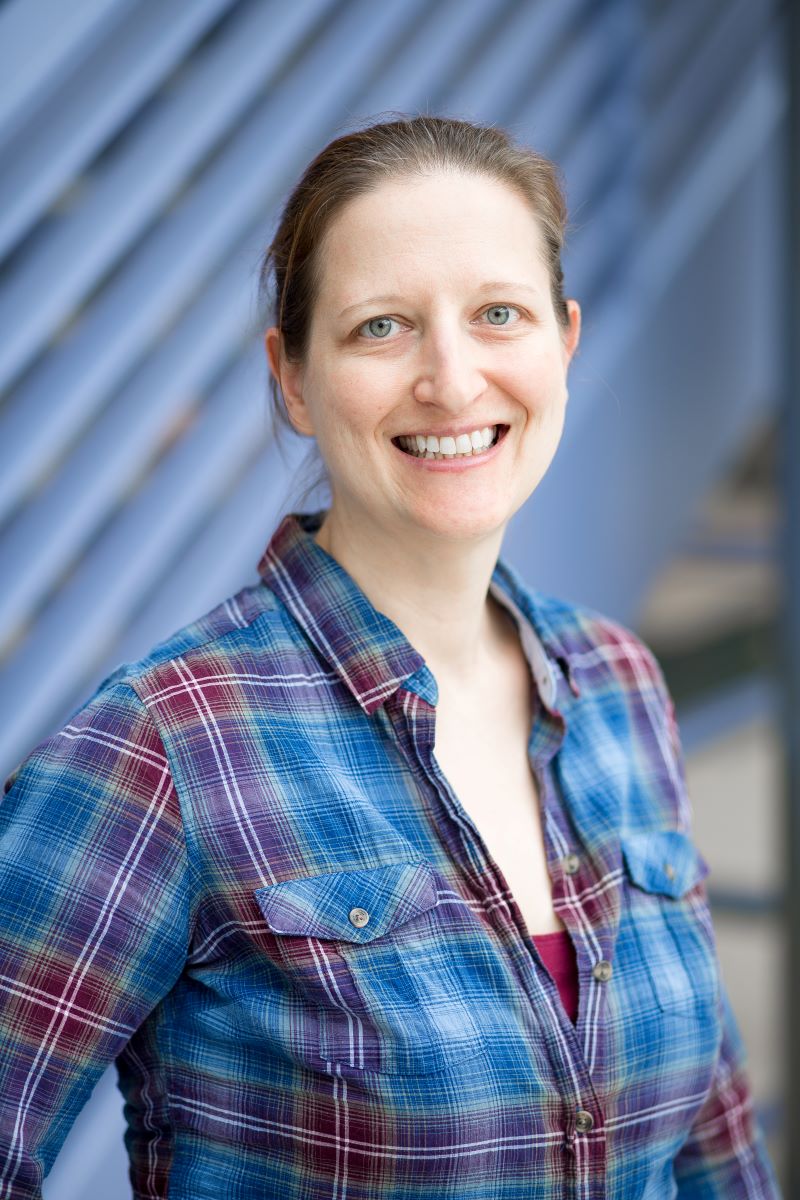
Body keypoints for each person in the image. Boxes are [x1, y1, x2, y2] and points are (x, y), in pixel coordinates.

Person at [0, 114, 780, 1199]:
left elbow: (710, 1146)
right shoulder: (167, 748)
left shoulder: (617, 683)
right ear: (293, 378)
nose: (452, 381)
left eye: (496, 315)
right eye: (381, 328)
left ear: (562, 341)